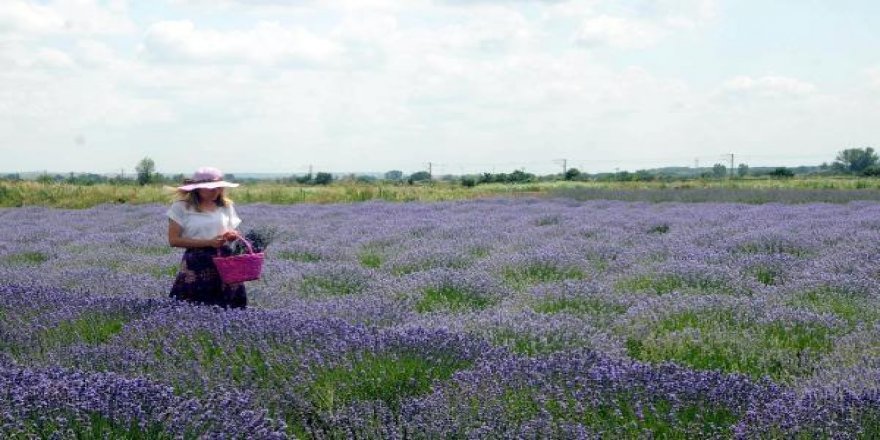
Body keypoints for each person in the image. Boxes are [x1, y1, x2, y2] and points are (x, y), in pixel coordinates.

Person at [167, 167, 247, 309]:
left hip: (225, 259)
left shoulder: (226, 206)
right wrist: (208, 242)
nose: (216, 191)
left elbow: (232, 231)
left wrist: (232, 235)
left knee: (230, 306)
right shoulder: (181, 207)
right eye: (211, 188)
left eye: (218, 188)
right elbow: (174, 240)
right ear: (197, 189)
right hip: (197, 262)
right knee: (191, 306)